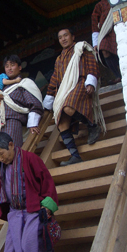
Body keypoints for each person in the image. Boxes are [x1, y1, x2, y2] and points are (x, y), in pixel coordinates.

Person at [0, 55, 44, 202]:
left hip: (13, 121)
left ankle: (10, 184)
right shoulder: (0, 85)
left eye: (13, 65)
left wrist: (33, 123)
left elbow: (34, 104)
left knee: (9, 154)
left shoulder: (25, 83)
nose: (10, 68)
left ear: (19, 67)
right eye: (7, 66)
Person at [43, 28, 103, 167]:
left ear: (72, 36)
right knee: (62, 122)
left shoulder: (81, 48)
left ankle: (92, 126)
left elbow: (92, 65)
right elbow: (54, 79)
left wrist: (91, 82)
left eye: (66, 35)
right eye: (60, 37)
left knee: (69, 108)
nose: (63, 39)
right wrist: (49, 97)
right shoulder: (59, 59)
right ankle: (75, 156)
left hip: (80, 83)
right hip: (64, 90)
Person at [92, 0, 121, 84]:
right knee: (104, 50)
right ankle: (118, 75)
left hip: (118, 28)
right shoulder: (99, 6)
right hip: (105, 32)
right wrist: (95, 42)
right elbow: (95, 23)